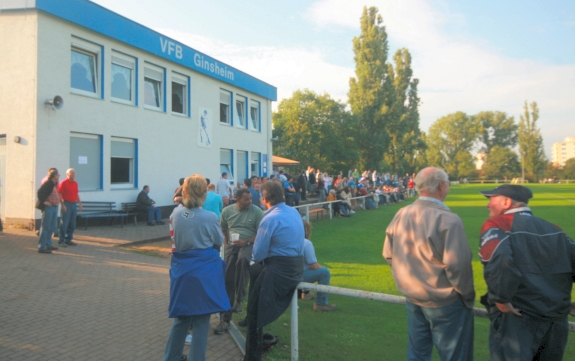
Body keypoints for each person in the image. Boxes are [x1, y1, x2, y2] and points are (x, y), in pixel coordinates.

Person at [383, 167, 475, 360]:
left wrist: (410, 280)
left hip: (413, 297)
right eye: (447, 183)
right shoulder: (449, 220)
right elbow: (458, 266)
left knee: (417, 354)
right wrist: (466, 295)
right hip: (444, 302)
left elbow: (388, 254)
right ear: (442, 185)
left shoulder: (402, 213)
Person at [478, 184, 575, 361]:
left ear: (506, 202)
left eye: (492, 199)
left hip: (519, 319)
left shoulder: (498, 225)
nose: (488, 205)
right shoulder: (555, 229)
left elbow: (501, 260)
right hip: (555, 322)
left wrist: (501, 299)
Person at [163, 174, 229, 361]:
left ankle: (171, 357)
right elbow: (218, 241)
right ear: (204, 193)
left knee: (181, 318)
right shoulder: (209, 217)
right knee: (201, 320)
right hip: (204, 270)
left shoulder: (175, 213)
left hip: (182, 269)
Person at [243, 181, 305, 361]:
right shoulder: (293, 212)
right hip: (296, 265)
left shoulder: (269, 219)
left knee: (254, 313)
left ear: (264, 199)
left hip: (279, 269)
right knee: (254, 274)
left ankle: (252, 357)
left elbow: (258, 252)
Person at [215, 188, 264, 335]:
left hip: (249, 244)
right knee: (228, 277)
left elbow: (261, 233)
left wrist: (247, 241)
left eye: (250, 199)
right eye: (246, 199)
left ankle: (240, 300)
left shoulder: (256, 212)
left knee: (243, 260)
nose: (250, 201)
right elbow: (223, 228)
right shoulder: (227, 211)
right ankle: (225, 319)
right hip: (232, 244)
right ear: (237, 199)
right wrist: (227, 241)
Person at [302, 221, 336, 311]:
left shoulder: (287, 240)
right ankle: (321, 304)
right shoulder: (306, 243)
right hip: (296, 276)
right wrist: (322, 267)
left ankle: (305, 293)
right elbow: (314, 266)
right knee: (324, 273)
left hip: (283, 273)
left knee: (305, 268)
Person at [36, 168, 61, 254]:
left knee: (52, 226)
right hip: (49, 208)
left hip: (54, 206)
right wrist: (44, 201)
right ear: (54, 176)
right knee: (45, 227)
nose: (59, 176)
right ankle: (42, 247)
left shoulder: (54, 183)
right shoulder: (48, 183)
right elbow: (39, 192)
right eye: (58, 174)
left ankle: (48, 244)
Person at [58, 168, 82, 247]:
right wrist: (62, 205)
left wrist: (79, 203)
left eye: (74, 173)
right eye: (72, 173)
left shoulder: (75, 183)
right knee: (64, 222)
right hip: (66, 203)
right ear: (67, 174)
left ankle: (68, 240)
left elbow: (76, 194)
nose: (73, 174)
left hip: (73, 204)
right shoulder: (63, 183)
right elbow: (59, 194)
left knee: (72, 223)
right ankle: (61, 240)